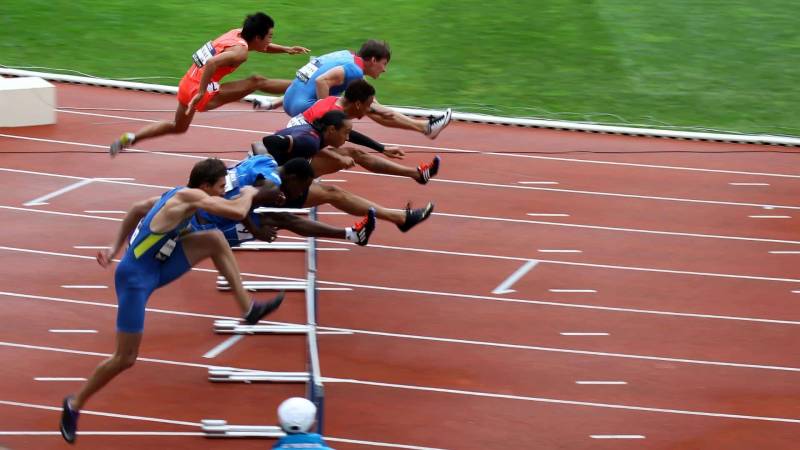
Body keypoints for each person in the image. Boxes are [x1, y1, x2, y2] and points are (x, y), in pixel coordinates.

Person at [59, 158, 288, 444]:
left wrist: (113, 246)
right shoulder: (190, 197)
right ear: (204, 186)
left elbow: (136, 209)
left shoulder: (179, 195)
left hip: (160, 264)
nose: (222, 191)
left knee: (215, 239)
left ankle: (248, 309)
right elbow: (236, 210)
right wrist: (251, 193)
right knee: (125, 358)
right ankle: (74, 404)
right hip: (136, 278)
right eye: (219, 187)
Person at [109, 12, 309, 156]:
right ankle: (305, 84)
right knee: (255, 81)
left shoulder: (236, 34)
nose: (271, 40)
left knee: (178, 127)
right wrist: (202, 91)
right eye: (270, 36)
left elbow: (261, 47)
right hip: (200, 92)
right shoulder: (240, 52)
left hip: (187, 83)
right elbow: (213, 62)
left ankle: (132, 138)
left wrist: (286, 49)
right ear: (257, 36)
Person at [253, 111, 435, 232]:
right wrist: (275, 179)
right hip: (269, 186)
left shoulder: (314, 134)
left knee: (353, 154)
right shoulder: (310, 141)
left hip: (274, 173)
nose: (348, 137)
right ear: (331, 129)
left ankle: (415, 177)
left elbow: (303, 146)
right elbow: (269, 141)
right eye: (346, 133)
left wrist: (339, 157)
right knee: (334, 194)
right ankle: (400, 218)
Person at [272, 39, 451, 139]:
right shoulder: (354, 70)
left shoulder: (346, 57)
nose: (385, 70)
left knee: (369, 106)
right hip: (301, 106)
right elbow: (321, 81)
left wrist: (279, 100)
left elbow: (308, 75)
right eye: (384, 64)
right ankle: (425, 128)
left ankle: (424, 127)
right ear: (373, 60)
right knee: (366, 109)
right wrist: (326, 115)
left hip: (290, 99)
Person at [192, 155, 377, 246]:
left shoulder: (266, 160)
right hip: (210, 224)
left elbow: (258, 145)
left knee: (284, 219)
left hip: (204, 203)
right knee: (282, 220)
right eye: (303, 187)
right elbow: (238, 206)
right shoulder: (272, 188)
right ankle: (352, 235)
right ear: (293, 178)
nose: (301, 194)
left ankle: (352, 235)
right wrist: (257, 231)